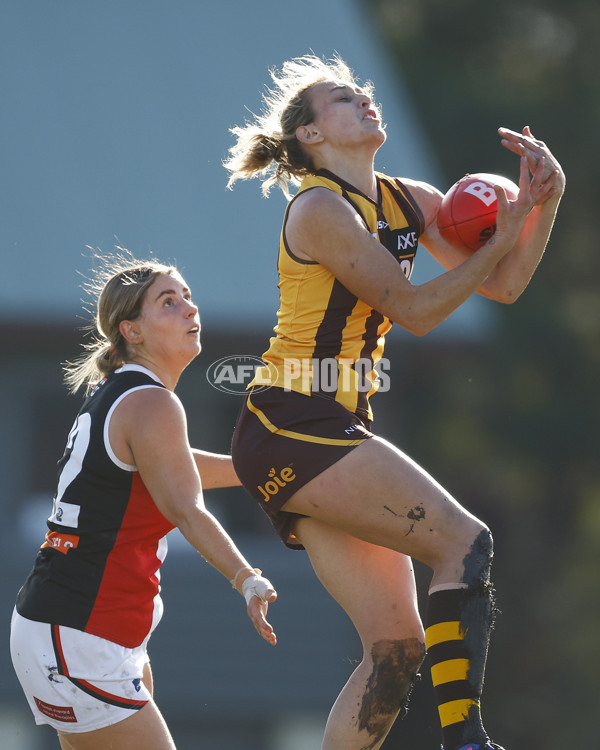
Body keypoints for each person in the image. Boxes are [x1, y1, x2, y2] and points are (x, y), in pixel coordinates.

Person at [223, 54, 565, 750]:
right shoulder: (320, 207)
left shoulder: (406, 198)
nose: (364, 101)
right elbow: (413, 309)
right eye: (343, 99)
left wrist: (545, 204)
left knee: (397, 651)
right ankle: (467, 741)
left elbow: (501, 286)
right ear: (312, 138)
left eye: (363, 92)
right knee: (466, 541)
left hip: (324, 428)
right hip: (293, 422)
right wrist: (503, 232)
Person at [10, 252, 278, 750]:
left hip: (68, 630)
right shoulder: (152, 400)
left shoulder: (128, 394)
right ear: (131, 330)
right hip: (81, 634)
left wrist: (260, 468)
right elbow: (186, 507)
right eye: (168, 302)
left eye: (188, 298)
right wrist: (247, 577)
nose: (189, 309)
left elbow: (175, 467)